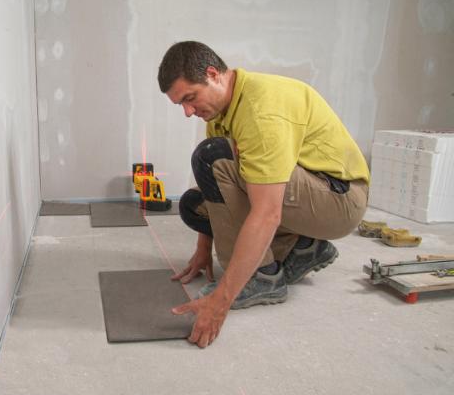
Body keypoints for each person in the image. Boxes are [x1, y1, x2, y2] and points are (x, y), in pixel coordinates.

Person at [157, 41, 370, 349]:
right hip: (312, 193)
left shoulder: (260, 110)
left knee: (212, 156)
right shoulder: (221, 112)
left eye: (190, 98)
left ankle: (263, 278)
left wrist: (220, 301)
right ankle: (302, 247)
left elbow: (268, 213)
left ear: (213, 75)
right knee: (194, 204)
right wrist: (203, 249)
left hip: (339, 200)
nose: (188, 112)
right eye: (181, 105)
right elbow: (215, 189)